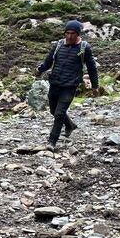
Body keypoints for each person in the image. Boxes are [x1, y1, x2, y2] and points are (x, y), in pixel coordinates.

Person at [37, 20, 99, 150]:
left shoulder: (84, 48)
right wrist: (40, 69)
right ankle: (70, 125)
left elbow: (92, 68)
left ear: (78, 34)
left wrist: (95, 86)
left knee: (59, 113)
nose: (70, 36)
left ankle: (52, 142)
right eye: (67, 33)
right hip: (54, 83)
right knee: (53, 111)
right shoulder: (58, 45)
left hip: (70, 86)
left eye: (73, 34)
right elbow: (48, 62)